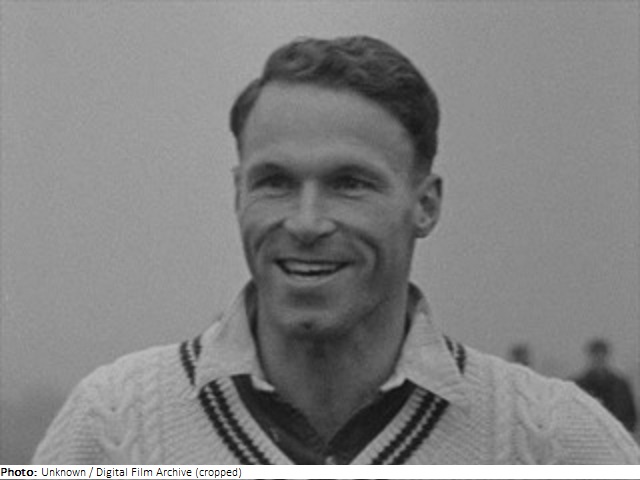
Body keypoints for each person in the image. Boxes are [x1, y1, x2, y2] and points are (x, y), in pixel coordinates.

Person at [33, 35, 640, 465]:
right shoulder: (112, 428)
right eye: (274, 181)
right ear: (237, 193)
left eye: (350, 183)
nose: (305, 222)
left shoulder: (552, 442)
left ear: (426, 205)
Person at [574, 338, 637, 433]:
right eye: (596, 356)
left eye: (601, 356)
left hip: (615, 434)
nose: (599, 360)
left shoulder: (620, 385)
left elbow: (630, 415)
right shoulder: (578, 386)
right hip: (586, 435)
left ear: (606, 357)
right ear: (590, 357)